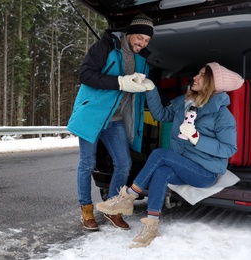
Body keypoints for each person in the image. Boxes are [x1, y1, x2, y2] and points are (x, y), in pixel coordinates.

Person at [96, 62, 244, 247]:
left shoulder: (222, 115)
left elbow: (228, 149)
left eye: (201, 75)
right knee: (161, 172)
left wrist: (196, 137)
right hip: (183, 163)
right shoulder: (186, 102)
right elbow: (161, 114)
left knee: (160, 155)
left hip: (205, 172)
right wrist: (151, 89)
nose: (195, 78)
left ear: (212, 83)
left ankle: (128, 198)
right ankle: (151, 225)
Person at [67, 14, 155, 231]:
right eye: (140, 38)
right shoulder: (106, 46)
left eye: (146, 41)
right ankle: (86, 210)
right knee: (87, 163)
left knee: (124, 164)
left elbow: (135, 90)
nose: (142, 44)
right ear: (131, 32)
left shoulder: (141, 59)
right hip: (93, 116)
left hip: (115, 119)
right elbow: (86, 75)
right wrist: (119, 82)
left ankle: (111, 208)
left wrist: (145, 86)